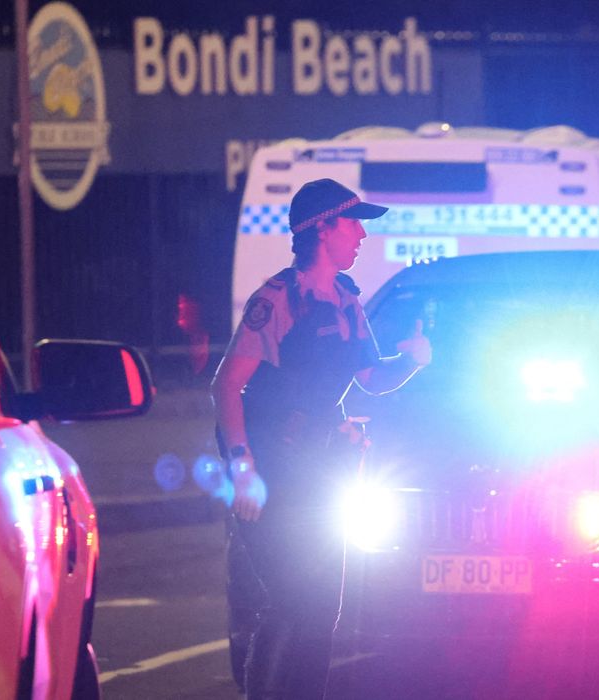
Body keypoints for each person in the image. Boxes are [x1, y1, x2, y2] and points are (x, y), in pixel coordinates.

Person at [211, 178, 432, 699]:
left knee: (322, 608)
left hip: (318, 470)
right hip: (272, 469)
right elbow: (226, 386)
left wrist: (414, 360)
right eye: (353, 223)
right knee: (291, 602)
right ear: (322, 228)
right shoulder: (279, 298)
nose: (361, 235)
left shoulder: (347, 299)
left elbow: (371, 379)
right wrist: (243, 469)